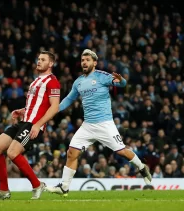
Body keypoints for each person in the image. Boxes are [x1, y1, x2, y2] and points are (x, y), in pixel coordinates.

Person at [45, 49, 152, 197]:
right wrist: (54, 109)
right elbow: (69, 99)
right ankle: (64, 187)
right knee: (71, 153)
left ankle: (141, 167)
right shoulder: (78, 82)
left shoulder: (102, 76)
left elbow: (122, 84)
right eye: (83, 60)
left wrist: (121, 80)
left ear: (94, 63)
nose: (84, 62)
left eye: (87, 60)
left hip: (105, 124)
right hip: (88, 125)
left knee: (121, 151)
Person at [0, 51, 61, 200]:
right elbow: (36, 105)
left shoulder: (53, 82)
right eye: (38, 59)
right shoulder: (35, 81)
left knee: (12, 153)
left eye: (43, 59)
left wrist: (38, 124)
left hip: (33, 125)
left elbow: (54, 107)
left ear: (51, 63)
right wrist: (22, 111)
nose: (39, 61)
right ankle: (3, 190)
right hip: (24, 121)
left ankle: (37, 185)